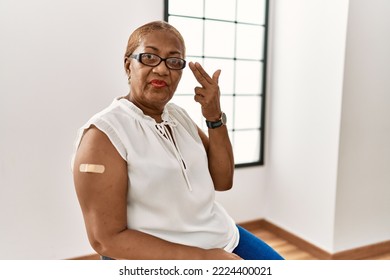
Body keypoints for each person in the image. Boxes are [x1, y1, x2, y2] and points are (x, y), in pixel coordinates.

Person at [72, 20, 284, 260]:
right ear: (128, 65)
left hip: (222, 237)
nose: (162, 70)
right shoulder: (103, 136)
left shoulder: (178, 116)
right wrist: (204, 259)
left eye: (174, 61)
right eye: (150, 57)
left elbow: (223, 180)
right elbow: (106, 240)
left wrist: (214, 116)